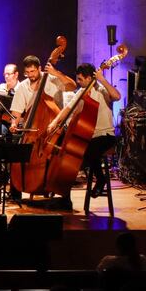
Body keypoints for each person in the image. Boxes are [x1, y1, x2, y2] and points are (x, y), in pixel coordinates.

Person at [58, 63, 120, 198]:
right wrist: (54, 123)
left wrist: (102, 79)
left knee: (88, 151)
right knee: (72, 150)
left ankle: (100, 179)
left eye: (80, 79)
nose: (78, 82)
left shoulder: (102, 90)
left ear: (88, 78)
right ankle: (64, 192)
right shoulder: (81, 92)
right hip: (89, 136)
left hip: (105, 135)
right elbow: (67, 109)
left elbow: (117, 96)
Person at [9, 55, 76, 133]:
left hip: (54, 128)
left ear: (39, 68)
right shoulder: (22, 87)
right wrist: (14, 124)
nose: (30, 75)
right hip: (33, 128)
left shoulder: (52, 79)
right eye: (27, 72)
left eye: (32, 71)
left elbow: (72, 87)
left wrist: (56, 73)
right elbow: (16, 111)